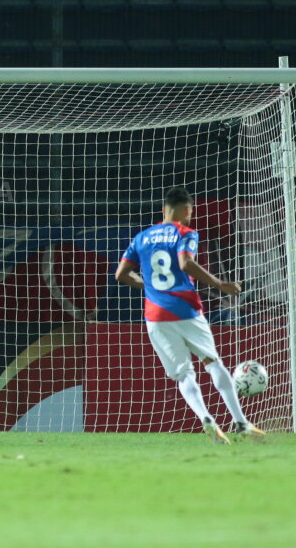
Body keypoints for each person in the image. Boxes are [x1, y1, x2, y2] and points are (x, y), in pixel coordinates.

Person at [113, 187, 265, 444]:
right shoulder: (186, 233)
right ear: (186, 210)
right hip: (185, 309)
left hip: (155, 315)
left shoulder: (141, 237)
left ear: (164, 210)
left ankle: (206, 418)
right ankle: (241, 423)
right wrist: (220, 284)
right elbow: (185, 263)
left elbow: (121, 274)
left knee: (184, 374)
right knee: (212, 362)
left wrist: (148, 286)